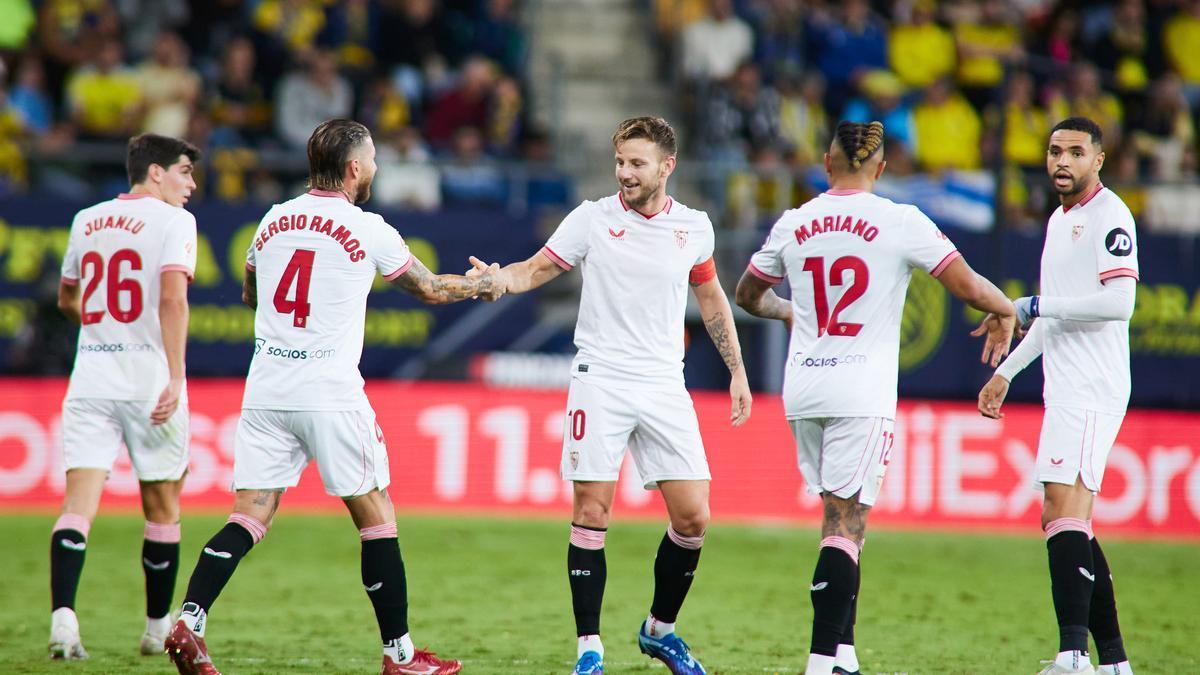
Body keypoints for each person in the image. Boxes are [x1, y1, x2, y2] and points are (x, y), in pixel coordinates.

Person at [164, 119, 502, 675]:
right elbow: (432, 288)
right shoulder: (367, 227)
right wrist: (484, 284)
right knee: (377, 517)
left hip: (267, 385)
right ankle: (400, 656)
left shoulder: (272, 220)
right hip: (329, 389)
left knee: (248, 516)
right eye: (370, 158)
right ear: (352, 168)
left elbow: (251, 291)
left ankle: (190, 620)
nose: (374, 166)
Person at [471, 116, 752, 675]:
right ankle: (589, 649)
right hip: (601, 377)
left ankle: (659, 631)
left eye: (637, 163)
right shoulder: (593, 219)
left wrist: (737, 370)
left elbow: (713, 299)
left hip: (664, 382)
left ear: (666, 167)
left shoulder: (694, 227)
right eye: (620, 161)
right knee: (592, 510)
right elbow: (535, 270)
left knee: (694, 517)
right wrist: (502, 279)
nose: (624, 172)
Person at [734, 121, 1016, 675]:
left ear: (825, 162)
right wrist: (1005, 309)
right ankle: (820, 663)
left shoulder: (795, 222)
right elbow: (966, 285)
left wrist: (793, 311)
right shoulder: (898, 220)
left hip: (805, 389)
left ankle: (843, 656)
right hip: (860, 390)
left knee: (835, 518)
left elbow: (747, 295)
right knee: (846, 525)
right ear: (881, 169)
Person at [977, 117, 1138, 675]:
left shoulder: (1110, 216)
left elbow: (1119, 304)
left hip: (1093, 385)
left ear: (1099, 159)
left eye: (1074, 152)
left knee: (1061, 509)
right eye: (1053, 152)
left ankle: (1074, 657)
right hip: (1066, 384)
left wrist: (1039, 305)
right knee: (1070, 516)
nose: (1061, 161)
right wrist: (1008, 373)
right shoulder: (1058, 220)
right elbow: (1049, 312)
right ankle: (1113, 662)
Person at [50, 133, 200, 659]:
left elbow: (68, 298)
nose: (192, 184)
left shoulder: (86, 219)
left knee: (77, 507)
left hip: (91, 377)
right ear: (155, 172)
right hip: (148, 380)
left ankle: (63, 623)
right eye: (184, 171)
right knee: (162, 509)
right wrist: (177, 377)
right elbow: (173, 298)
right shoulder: (175, 222)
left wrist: (101, 324)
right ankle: (157, 629)